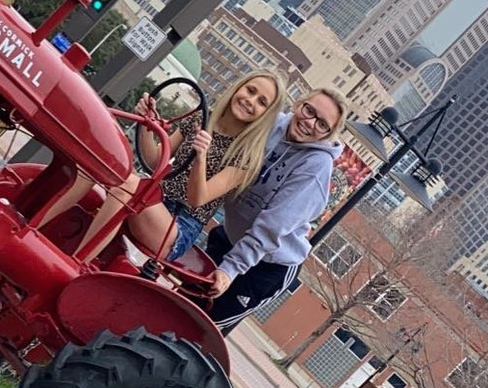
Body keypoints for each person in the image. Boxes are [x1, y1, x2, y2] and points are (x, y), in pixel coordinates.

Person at [59, 70, 285, 261]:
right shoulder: (201, 118)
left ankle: (75, 263)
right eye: (251, 91)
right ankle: (39, 230)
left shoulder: (246, 157)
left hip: (178, 225)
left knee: (128, 187)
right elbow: (154, 162)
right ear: (238, 88)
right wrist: (149, 125)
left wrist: (201, 158)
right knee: (96, 168)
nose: (250, 101)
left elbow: (198, 199)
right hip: (153, 199)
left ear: (266, 115)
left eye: (262, 102)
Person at [202, 88, 349, 335]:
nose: (309, 123)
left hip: (267, 265)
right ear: (299, 103)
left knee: (203, 328)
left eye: (321, 124)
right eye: (309, 110)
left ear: (328, 134)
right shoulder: (269, 126)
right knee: (179, 300)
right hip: (229, 237)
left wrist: (230, 270)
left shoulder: (315, 167)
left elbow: (271, 228)